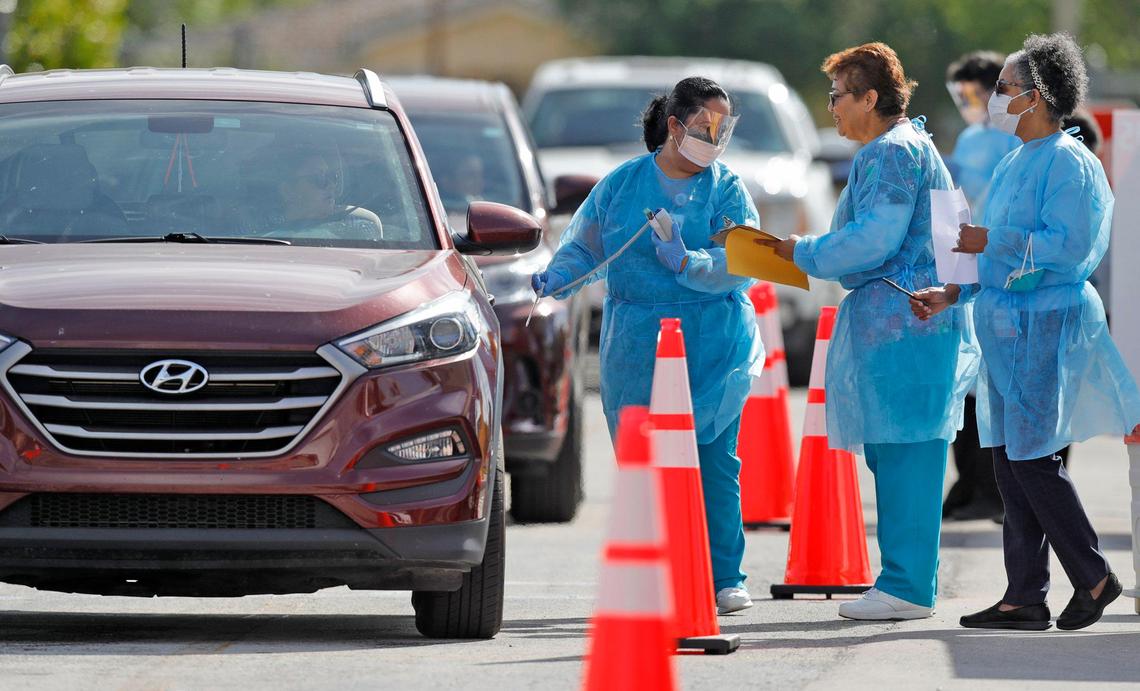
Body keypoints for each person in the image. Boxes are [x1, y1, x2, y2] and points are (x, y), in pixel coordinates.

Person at [910, 33, 1140, 631]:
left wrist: (994, 240)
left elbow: (1070, 246)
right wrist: (954, 292)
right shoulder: (1016, 160)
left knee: (1033, 458)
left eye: (1003, 88)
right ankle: (1024, 595)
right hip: (1006, 323)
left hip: (1044, 322)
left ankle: (1093, 575)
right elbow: (990, 253)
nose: (994, 98)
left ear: (1034, 96)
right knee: (1009, 461)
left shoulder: (1069, 161)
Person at [759, 43, 976, 621]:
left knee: (905, 456)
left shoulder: (892, 151)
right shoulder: (912, 145)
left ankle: (905, 587)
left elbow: (875, 239)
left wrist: (800, 251)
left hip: (904, 328)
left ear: (870, 98)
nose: (831, 108)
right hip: (910, 326)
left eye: (837, 97)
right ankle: (910, 582)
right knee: (903, 454)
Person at [531, 77, 764, 614]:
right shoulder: (623, 185)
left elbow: (745, 259)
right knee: (646, 464)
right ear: (675, 126)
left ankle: (724, 575)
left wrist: (691, 261)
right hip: (637, 343)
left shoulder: (726, 189)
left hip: (712, 343)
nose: (715, 139)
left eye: (723, 129)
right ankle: (661, 569)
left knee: (714, 462)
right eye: (706, 127)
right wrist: (558, 277)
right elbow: (586, 247)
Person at [941, 51, 1024, 523]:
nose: (967, 103)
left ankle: (993, 489)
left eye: (973, 93)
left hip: (1004, 266)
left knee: (996, 385)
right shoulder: (970, 138)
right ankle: (970, 483)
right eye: (960, 95)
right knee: (968, 383)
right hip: (968, 264)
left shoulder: (1016, 137)